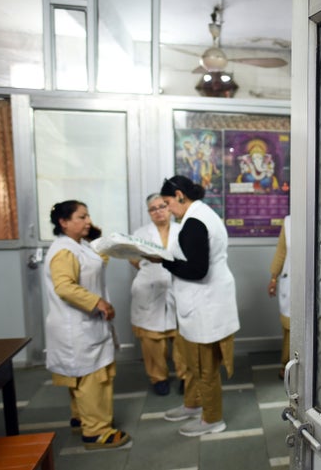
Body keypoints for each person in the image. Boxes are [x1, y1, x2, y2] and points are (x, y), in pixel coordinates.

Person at [152, 175, 240, 437]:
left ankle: (212, 419)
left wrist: (164, 260)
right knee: (190, 361)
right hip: (202, 302)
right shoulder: (201, 214)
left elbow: (197, 270)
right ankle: (192, 404)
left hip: (205, 305)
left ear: (180, 195)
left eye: (167, 203)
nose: (167, 209)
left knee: (204, 366)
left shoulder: (194, 222)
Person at [43, 200, 131, 450]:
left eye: (88, 216)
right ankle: (96, 432)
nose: (88, 221)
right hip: (78, 325)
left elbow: (96, 262)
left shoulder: (78, 246)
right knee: (93, 379)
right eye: (81, 217)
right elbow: (64, 286)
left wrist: (97, 238)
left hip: (83, 324)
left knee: (81, 377)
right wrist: (98, 303)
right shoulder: (64, 251)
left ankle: (81, 417)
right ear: (64, 222)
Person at [129, 193, 186, 396]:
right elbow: (134, 259)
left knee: (181, 337)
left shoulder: (183, 230)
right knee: (152, 340)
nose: (158, 211)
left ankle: (185, 377)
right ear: (149, 213)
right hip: (149, 288)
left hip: (177, 288)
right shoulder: (141, 233)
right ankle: (158, 377)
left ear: (169, 207)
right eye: (153, 209)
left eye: (162, 206)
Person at [267, 214, 291, 379]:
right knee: (289, 327)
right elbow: (281, 252)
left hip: (316, 284)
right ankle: (287, 364)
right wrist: (273, 278)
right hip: (291, 282)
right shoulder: (289, 222)